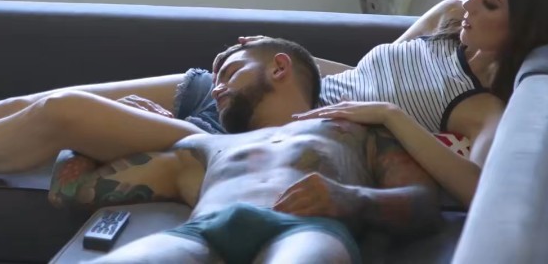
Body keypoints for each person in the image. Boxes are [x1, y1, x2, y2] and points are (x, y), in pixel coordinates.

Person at [0, 0, 548, 208]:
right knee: (30, 101)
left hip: (262, 135)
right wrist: (280, 53)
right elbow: (363, 74)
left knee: (57, 111)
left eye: (489, 5)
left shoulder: (478, 109)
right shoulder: (444, 19)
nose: (468, 5)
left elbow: (477, 188)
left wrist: (391, 119)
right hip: (244, 93)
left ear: (521, 28)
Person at [53, 38, 442, 264]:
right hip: (203, 233)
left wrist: (352, 199)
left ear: (279, 68)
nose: (216, 89)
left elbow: (426, 205)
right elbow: (70, 189)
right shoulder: (204, 145)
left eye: (230, 73)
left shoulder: (354, 129)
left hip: (307, 230)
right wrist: (106, 132)